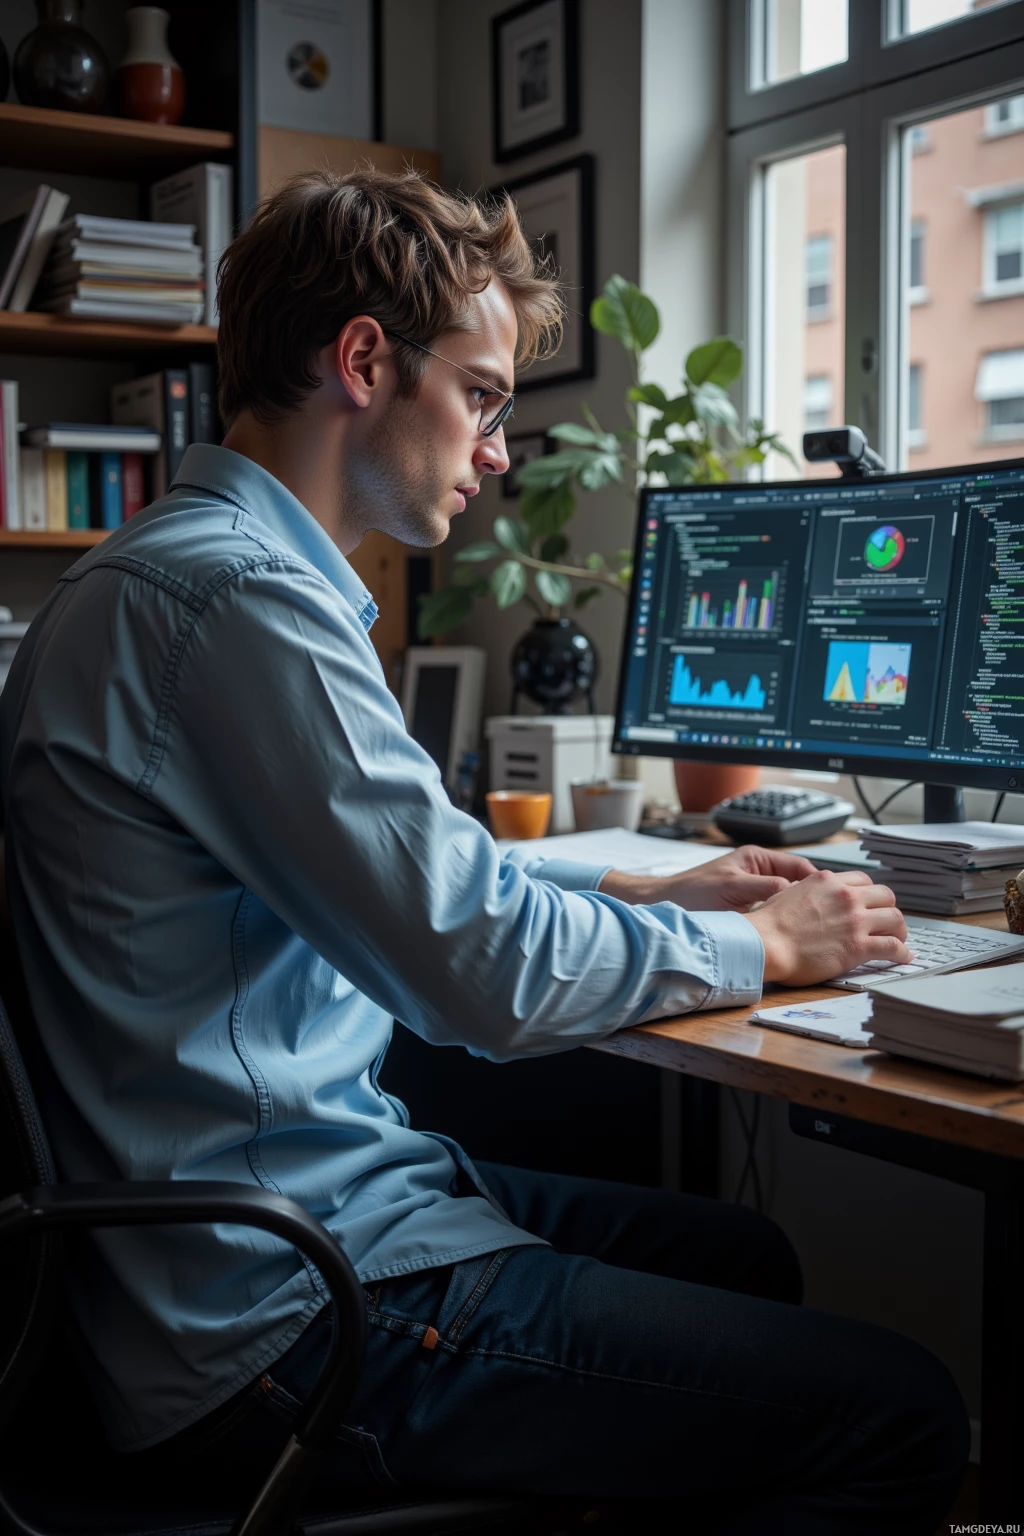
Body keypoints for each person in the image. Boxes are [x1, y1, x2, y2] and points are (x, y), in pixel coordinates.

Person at [0, 169, 967, 1533]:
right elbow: (480, 972)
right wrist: (756, 941)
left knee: (742, 1253)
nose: (500, 448)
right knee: (905, 1412)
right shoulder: (237, 606)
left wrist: (654, 887)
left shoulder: (157, 571)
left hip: (230, 1238)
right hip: (278, 1314)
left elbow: (425, 889)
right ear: (363, 362)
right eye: (487, 394)